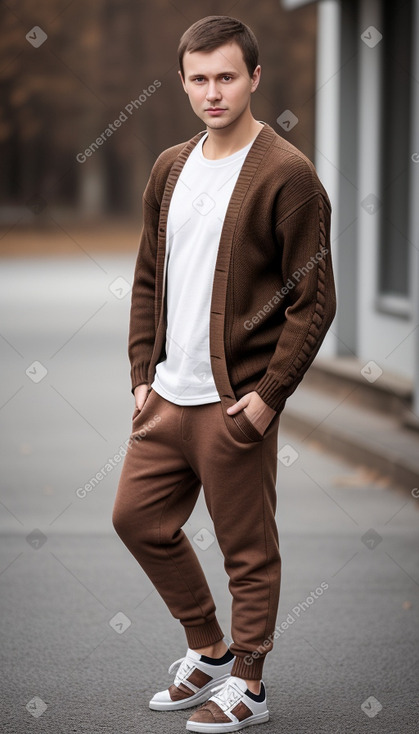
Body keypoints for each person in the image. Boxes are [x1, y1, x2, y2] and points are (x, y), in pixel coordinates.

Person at [112, 14, 337, 733]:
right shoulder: (170, 168)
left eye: (226, 76)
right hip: (164, 396)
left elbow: (314, 299)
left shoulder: (286, 175)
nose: (213, 91)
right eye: (199, 78)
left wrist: (267, 399)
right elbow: (150, 275)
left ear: (254, 78)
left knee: (247, 550)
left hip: (232, 401)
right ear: (181, 83)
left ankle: (249, 682)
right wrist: (141, 376)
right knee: (136, 520)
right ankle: (207, 648)